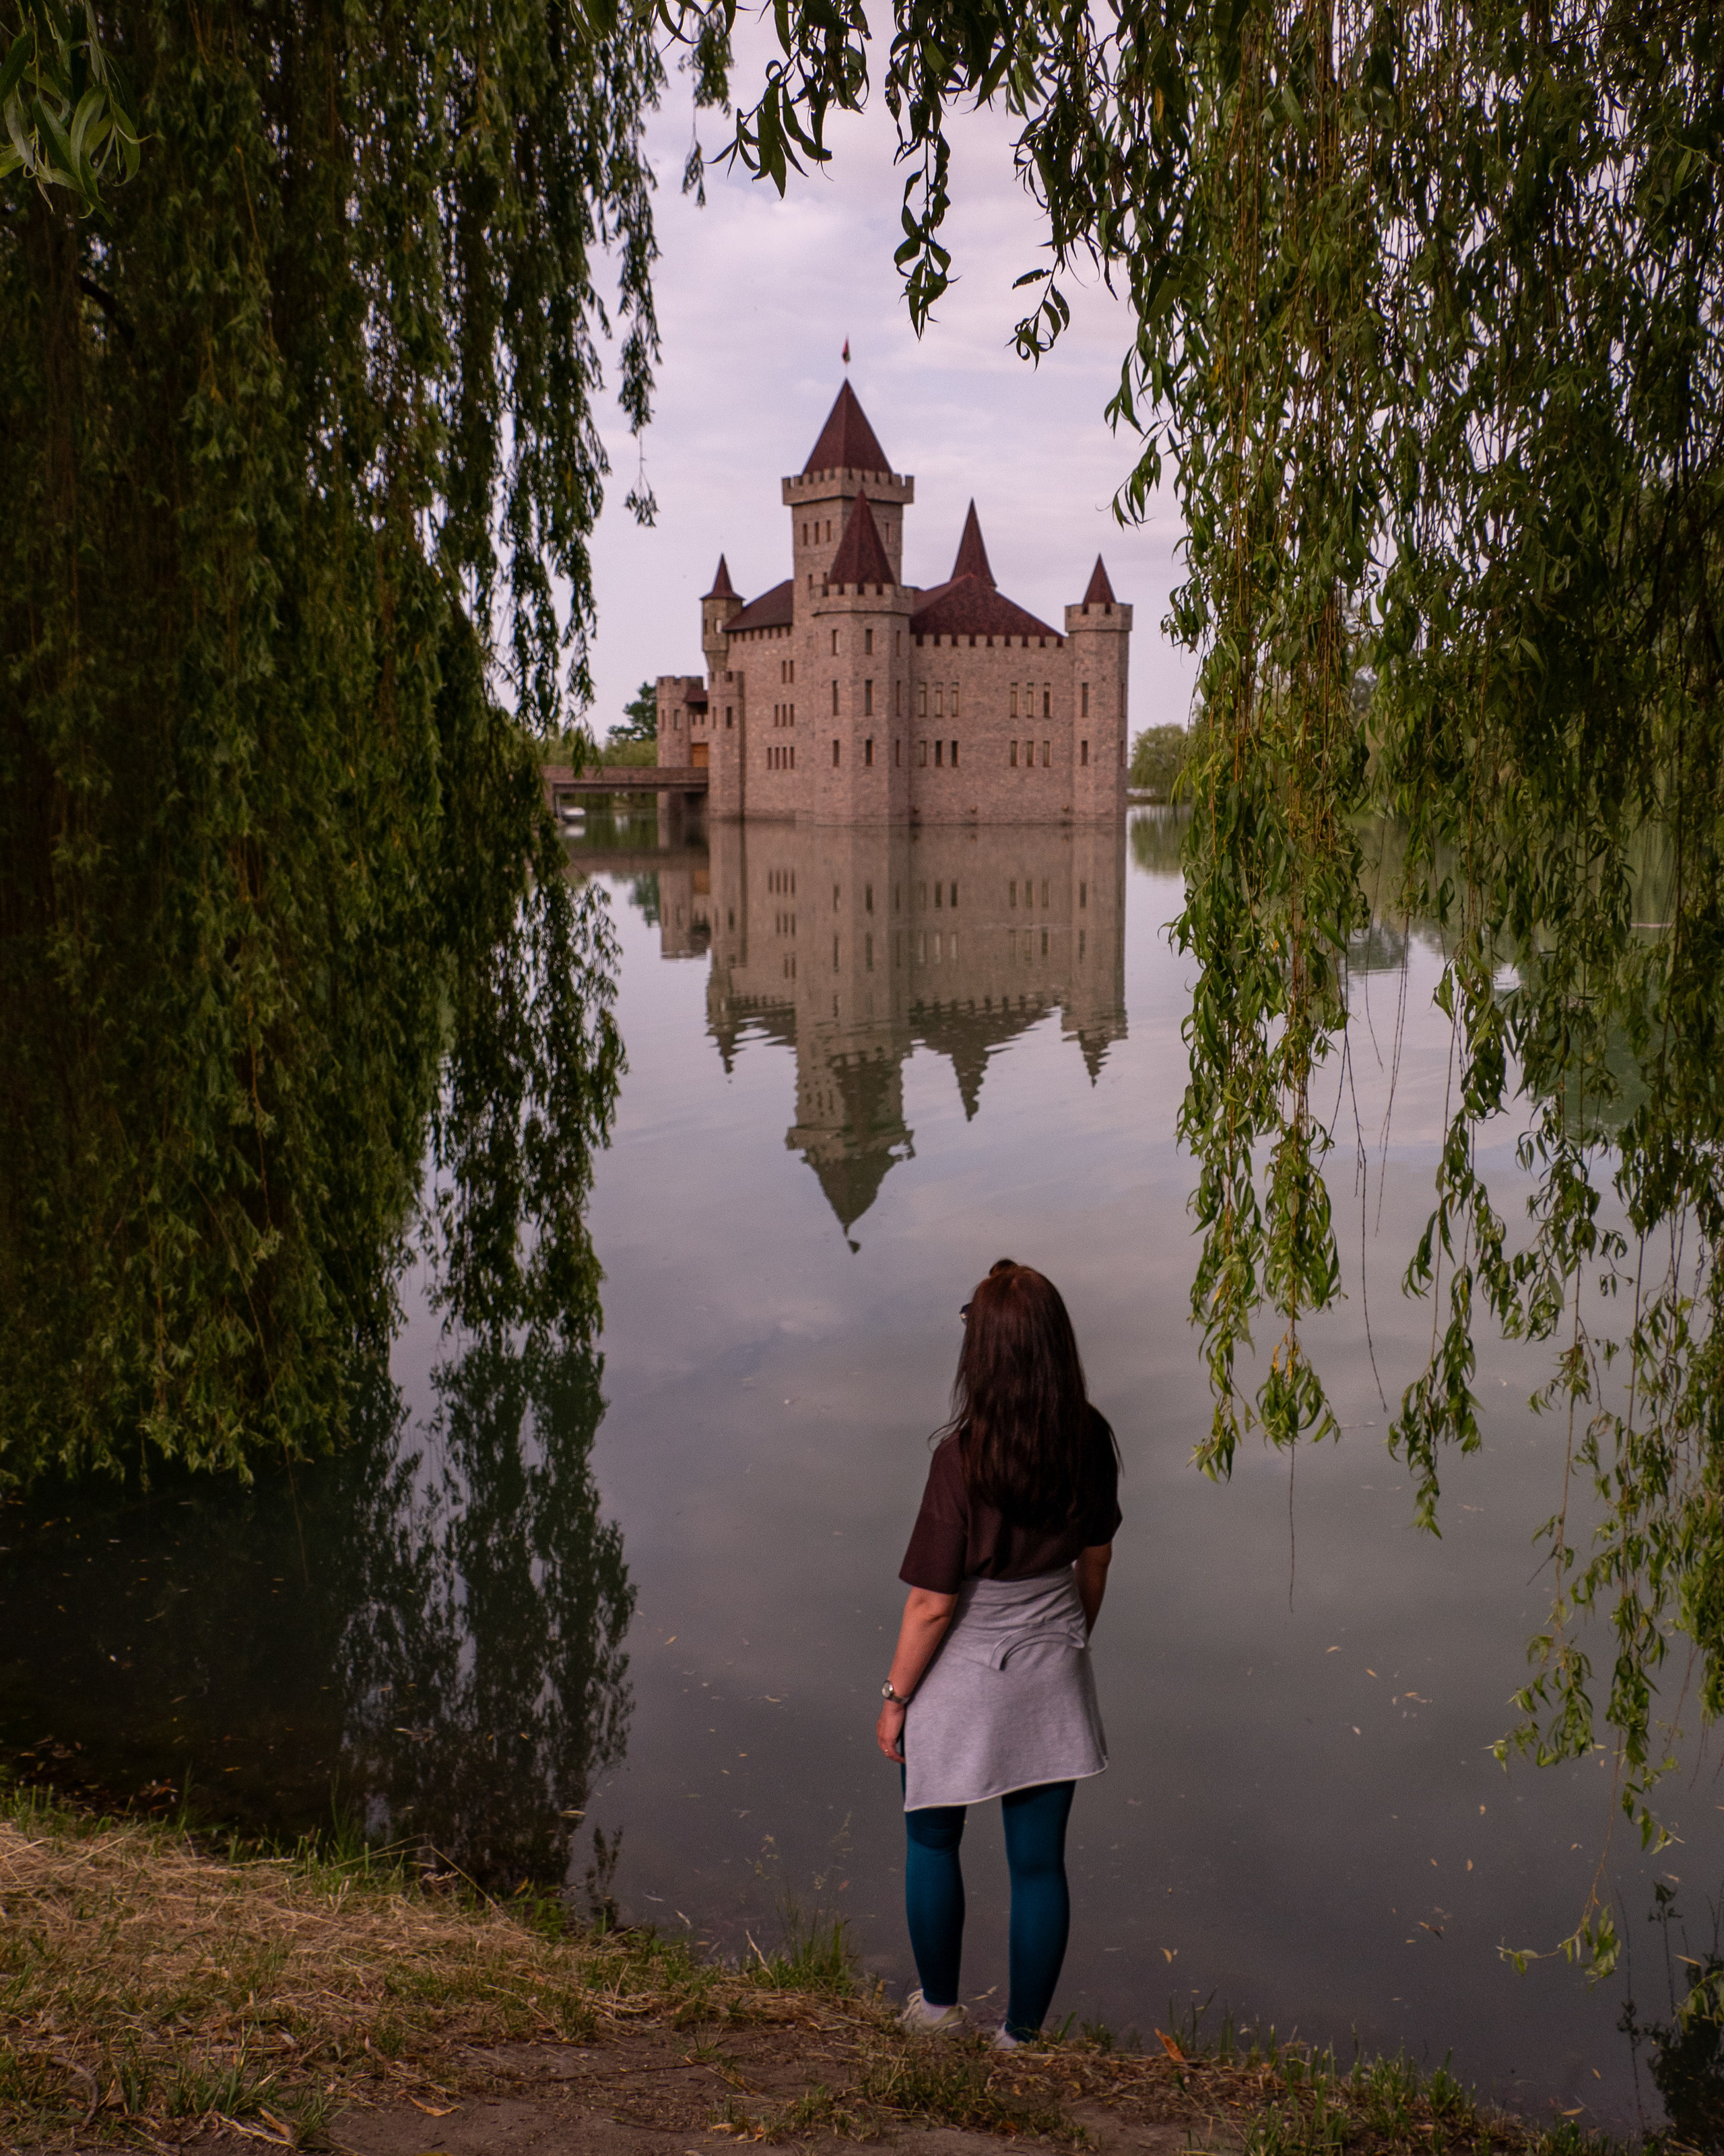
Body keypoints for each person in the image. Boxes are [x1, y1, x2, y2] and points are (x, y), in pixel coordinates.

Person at [877, 1257, 1121, 2049]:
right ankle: (1021, 2040)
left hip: (964, 1667)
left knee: (931, 1835)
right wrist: (1069, 1636)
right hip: (1053, 1657)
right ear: (1055, 1346)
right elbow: (1096, 1561)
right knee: (1039, 1865)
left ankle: (939, 2011)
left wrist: (895, 1698)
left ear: (980, 1355)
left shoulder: (960, 1457)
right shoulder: (1088, 1436)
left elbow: (932, 1603)